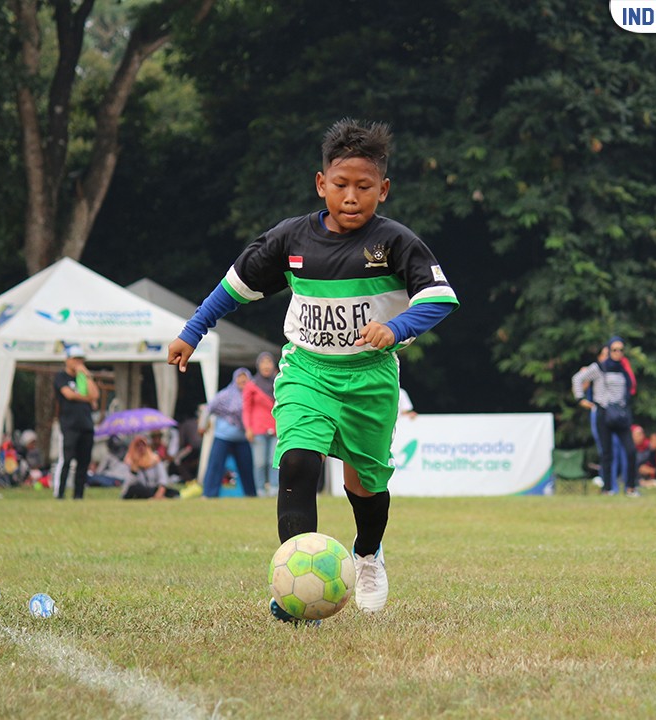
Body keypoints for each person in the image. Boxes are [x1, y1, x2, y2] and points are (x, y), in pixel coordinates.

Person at [168, 119, 459, 620]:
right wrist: (193, 330)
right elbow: (236, 285)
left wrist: (397, 327)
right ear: (321, 184)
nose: (351, 196)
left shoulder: (395, 243)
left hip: (370, 379)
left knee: (364, 486)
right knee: (299, 462)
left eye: (364, 187)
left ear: (383, 190)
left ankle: (367, 555)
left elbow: (441, 297)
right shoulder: (292, 239)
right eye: (340, 185)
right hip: (308, 372)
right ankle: (293, 590)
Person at [572, 336, 638, 496]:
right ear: (608, 350)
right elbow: (577, 378)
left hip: (621, 413)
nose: (618, 353)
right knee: (607, 453)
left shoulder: (624, 369)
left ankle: (630, 487)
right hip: (604, 412)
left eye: (621, 350)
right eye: (614, 349)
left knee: (630, 451)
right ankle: (607, 488)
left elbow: (630, 390)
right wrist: (581, 399)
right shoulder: (599, 368)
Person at [202, 368, 256, 498]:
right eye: (239, 377)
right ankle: (209, 494)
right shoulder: (225, 394)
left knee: (247, 467)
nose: (242, 380)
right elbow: (208, 408)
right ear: (234, 379)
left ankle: (251, 494)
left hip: (243, 438)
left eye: (245, 377)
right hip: (223, 436)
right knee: (215, 466)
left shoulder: (254, 394)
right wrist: (202, 425)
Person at [54, 346, 99, 500]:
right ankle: (59, 494)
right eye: (75, 359)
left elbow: (95, 395)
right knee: (66, 460)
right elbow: (69, 395)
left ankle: (78, 495)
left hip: (86, 424)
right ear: (67, 360)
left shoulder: (82, 378)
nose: (78, 362)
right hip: (69, 425)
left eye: (81, 359)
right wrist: (87, 399)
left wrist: (86, 375)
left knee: (83, 462)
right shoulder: (61, 377)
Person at [244, 352, 278, 497]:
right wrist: (248, 428)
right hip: (257, 429)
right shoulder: (252, 385)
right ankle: (260, 491)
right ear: (258, 365)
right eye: (263, 362)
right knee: (259, 462)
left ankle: (274, 489)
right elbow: (246, 408)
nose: (266, 366)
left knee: (274, 461)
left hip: (276, 428)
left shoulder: (279, 382)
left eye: (269, 362)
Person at [121, 435, 180, 499]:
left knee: (174, 493)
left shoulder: (155, 459)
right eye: (138, 446)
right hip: (142, 490)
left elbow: (163, 479)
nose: (141, 448)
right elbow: (128, 485)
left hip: (154, 489)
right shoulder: (131, 460)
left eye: (143, 445)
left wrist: (159, 493)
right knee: (135, 489)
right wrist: (134, 470)